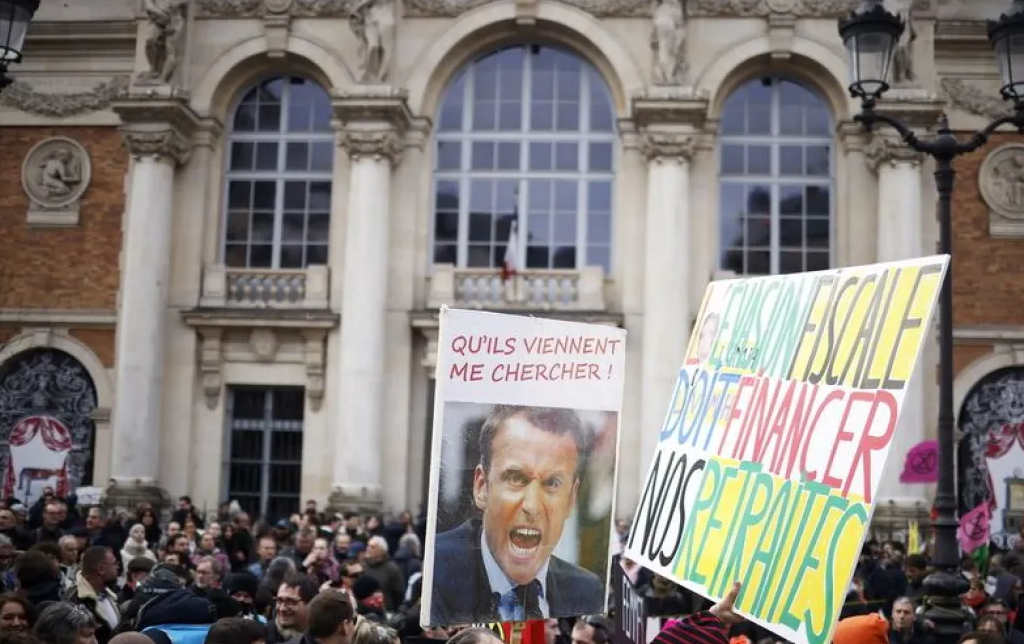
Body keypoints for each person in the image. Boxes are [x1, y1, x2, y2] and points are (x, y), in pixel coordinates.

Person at [429, 405, 603, 625]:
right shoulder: (434, 572)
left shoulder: (588, 591)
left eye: (552, 483)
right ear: (482, 487)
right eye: (516, 478)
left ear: (570, 500)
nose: (532, 506)